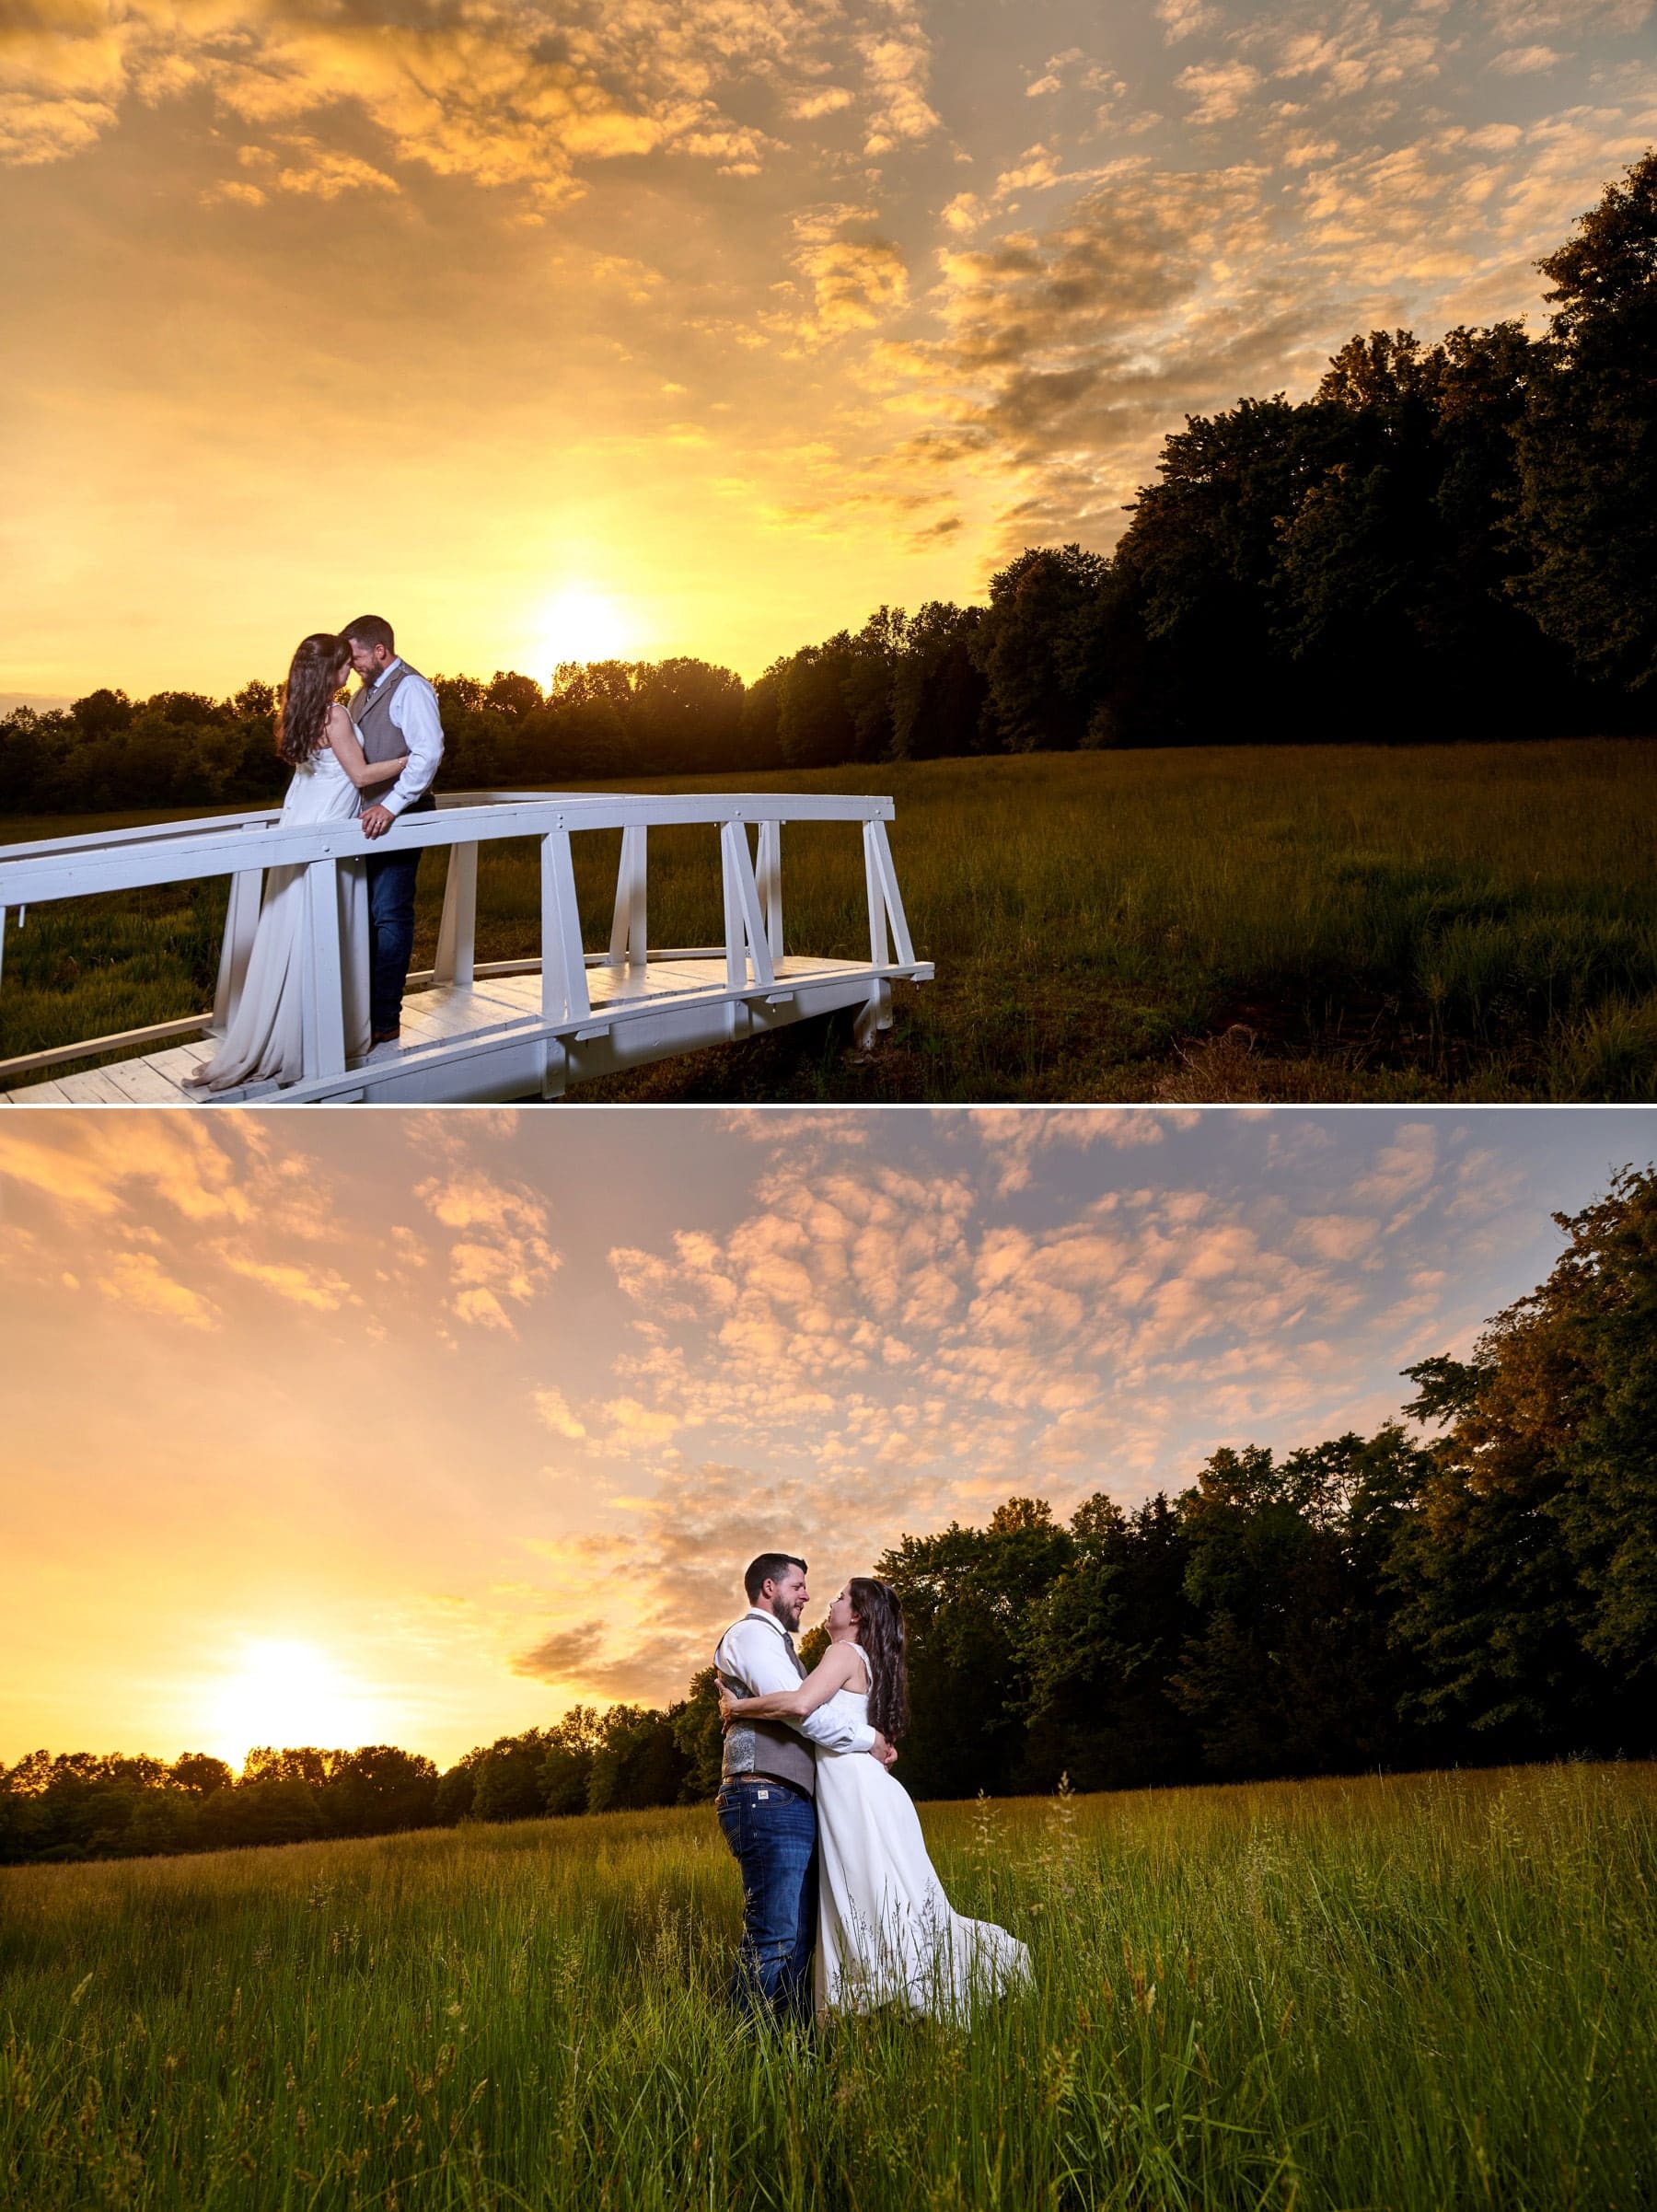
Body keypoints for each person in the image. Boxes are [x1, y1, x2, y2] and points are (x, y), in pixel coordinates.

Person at [719, 1574, 1030, 2021]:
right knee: (883, 1896)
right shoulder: (871, 1661)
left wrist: (737, 1708)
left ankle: (888, 1996)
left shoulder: (842, 1652)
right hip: (866, 1786)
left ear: (858, 1614)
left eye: (841, 1598)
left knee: (867, 1897)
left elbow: (801, 1706)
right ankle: (895, 1996)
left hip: (853, 1790)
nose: (829, 1601)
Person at [187, 633, 406, 1091]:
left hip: (300, 824)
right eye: (344, 665)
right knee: (321, 926)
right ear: (329, 671)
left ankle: (288, 1028)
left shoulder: (296, 713)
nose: (349, 673)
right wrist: (411, 760)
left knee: (295, 926)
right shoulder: (337, 714)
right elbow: (362, 775)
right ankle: (311, 1037)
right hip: (326, 830)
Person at [713, 1553, 897, 2026]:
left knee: (796, 1938)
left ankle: (789, 2051)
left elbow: (803, 1703)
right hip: (764, 1794)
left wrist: (741, 1708)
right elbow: (801, 1712)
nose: (808, 1597)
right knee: (775, 1936)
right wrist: (868, 1739)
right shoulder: (753, 1635)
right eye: (799, 1586)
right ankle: (744, 2049)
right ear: (769, 1588)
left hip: (789, 1798)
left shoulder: (785, 1647)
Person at [339, 614, 445, 1044]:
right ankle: (362, 1011)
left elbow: (428, 753)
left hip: (402, 816)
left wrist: (392, 805)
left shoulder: (412, 688)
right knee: (363, 916)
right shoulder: (361, 697)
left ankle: (385, 1019)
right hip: (367, 822)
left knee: (389, 916)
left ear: (379, 650)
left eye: (357, 656)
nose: (353, 665)